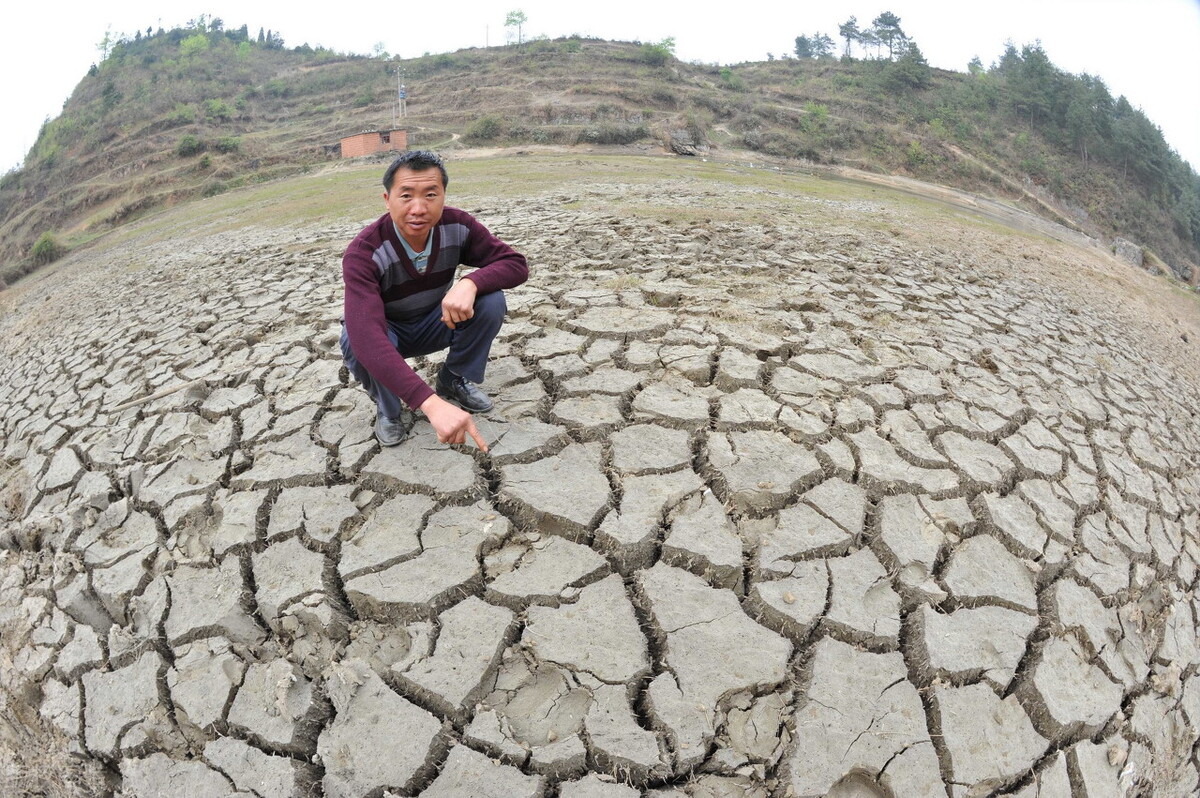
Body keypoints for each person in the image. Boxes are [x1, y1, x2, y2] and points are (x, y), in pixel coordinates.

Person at [340, 150, 527, 451]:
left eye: (430, 194)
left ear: (443, 196)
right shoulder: (364, 253)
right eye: (406, 196)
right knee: (353, 337)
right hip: (388, 334)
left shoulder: (458, 226)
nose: (418, 208)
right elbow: (367, 337)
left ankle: (452, 379)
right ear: (387, 200)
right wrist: (430, 404)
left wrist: (471, 282)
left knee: (490, 300)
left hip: (436, 321)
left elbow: (515, 264)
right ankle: (389, 409)